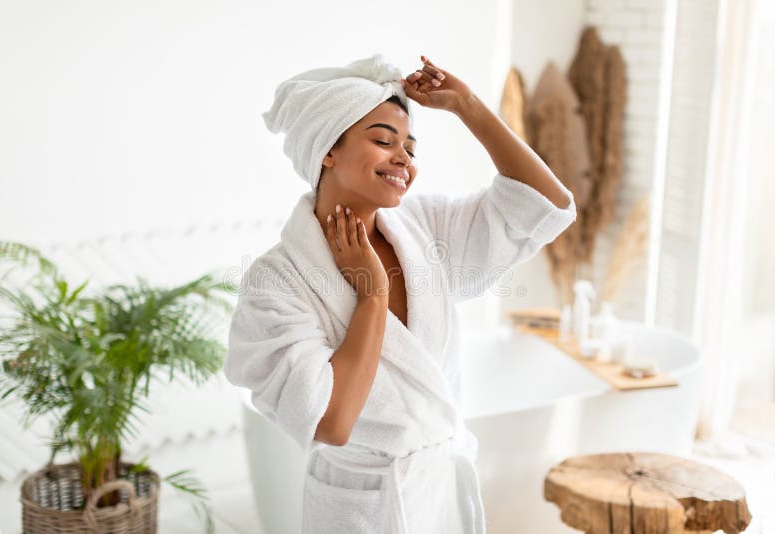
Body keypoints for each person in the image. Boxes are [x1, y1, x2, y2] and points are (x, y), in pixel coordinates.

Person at [225, 54, 576, 534]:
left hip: (439, 497)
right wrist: (371, 296)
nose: (403, 160)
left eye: (410, 149)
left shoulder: (424, 229)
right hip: (365, 509)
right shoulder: (277, 281)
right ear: (328, 149)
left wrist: (469, 106)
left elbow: (545, 204)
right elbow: (330, 421)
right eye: (383, 141)